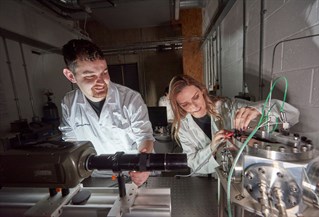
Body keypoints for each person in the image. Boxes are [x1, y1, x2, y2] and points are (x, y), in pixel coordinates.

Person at [59, 39, 154, 186]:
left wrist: (143, 165)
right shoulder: (69, 103)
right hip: (94, 176)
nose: (102, 82)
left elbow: (145, 136)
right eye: (90, 76)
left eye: (104, 72)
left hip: (131, 173)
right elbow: (71, 143)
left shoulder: (130, 98)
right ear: (71, 76)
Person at [168, 74, 299, 175]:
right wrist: (211, 147)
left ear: (202, 91)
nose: (194, 106)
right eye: (185, 104)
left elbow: (293, 115)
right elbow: (193, 163)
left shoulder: (230, 107)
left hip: (236, 175)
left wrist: (259, 110)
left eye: (196, 97)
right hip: (204, 182)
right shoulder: (183, 127)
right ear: (178, 106)